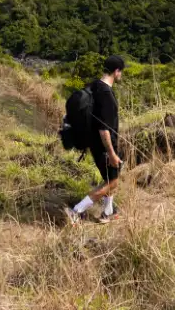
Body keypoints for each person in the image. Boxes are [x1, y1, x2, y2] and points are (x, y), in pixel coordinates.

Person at [66, 55, 125, 224]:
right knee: (112, 183)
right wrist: (111, 153)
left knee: (109, 177)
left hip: (93, 142)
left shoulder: (94, 85)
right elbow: (104, 130)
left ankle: (108, 212)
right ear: (116, 71)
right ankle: (77, 210)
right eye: (121, 72)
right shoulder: (107, 95)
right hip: (104, 145)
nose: (120, 75)